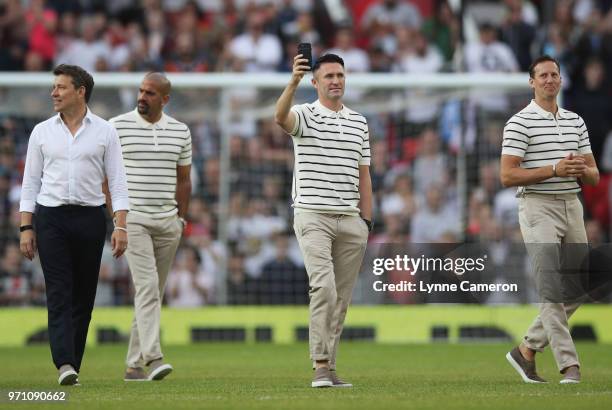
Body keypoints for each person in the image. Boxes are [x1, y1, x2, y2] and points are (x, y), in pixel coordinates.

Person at [19, 64, 129, 385]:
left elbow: (118, 183)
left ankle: (73, 366)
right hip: (50, 217)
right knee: (59, 292)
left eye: (61, 87)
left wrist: (120, 226)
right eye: (54, 87)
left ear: (80, 91)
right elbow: (30, 183)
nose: (54, 92)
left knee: (84, 297)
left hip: (90, 218)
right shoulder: (41, 131)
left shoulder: (106, 131)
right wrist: (27, 227)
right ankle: (64, 363)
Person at [274, 53, 372, 388]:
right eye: (328, 75)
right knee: (324, 287)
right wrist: (292, 81)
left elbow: (365, 173)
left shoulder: (359, 121)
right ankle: (319, 364)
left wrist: (366, 220)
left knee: (341, 299)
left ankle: (330, 366)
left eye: (340, 75)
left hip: (351, 219)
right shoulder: (304, 113)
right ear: (315, 82)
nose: (336, 80)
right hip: (313, 214)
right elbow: (279, 117)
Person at [500, 55, 600, 384]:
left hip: (572, 203)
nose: (549, 80)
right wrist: (553, 170)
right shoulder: (519, 122)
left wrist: (580, 170)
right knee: (551, 288)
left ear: (561, 80)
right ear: (532, 82)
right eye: (542, 75)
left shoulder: (575, 121)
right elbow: (507, 175)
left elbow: (595, 177)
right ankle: (569, 364)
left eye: (554, 74)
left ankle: (526, 349)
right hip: (537, 205)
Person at [109, 72, 192, 382]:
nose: (142, 97)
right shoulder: (117, 126)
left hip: (168, 223)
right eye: (141, 91)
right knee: (146, 289)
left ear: (165, 99)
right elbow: (107, 178)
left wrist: (181, 219)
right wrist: (118, 220)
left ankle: (133, 365)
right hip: (135, 221)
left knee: (152, 294)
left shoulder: (181, 131)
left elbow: (184, 180)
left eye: (150, 93)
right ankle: (154, 357)